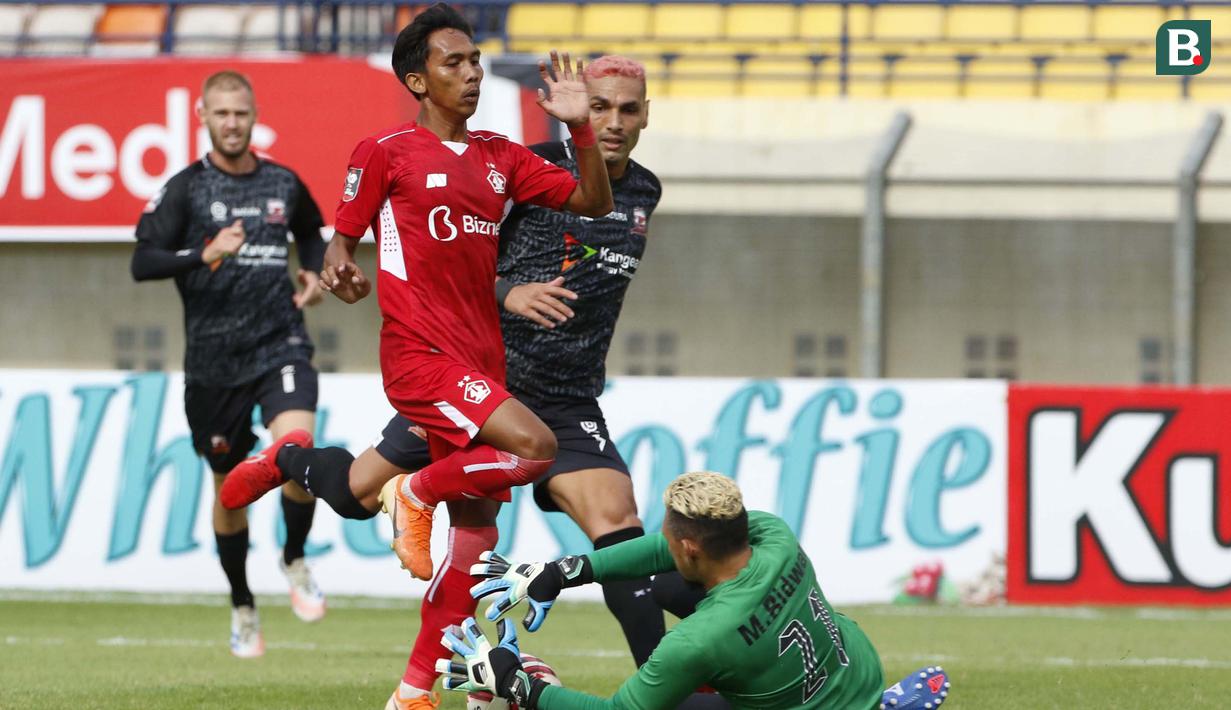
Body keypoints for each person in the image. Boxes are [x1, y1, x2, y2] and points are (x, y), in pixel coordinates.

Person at [226, 53, 674, 673]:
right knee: (356, 495)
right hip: (481, 382)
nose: (614, 122)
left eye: (627, 109)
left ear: (646, 114)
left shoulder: (645, 190)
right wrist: (507, 291)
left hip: (568, 398)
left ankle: (663, 686)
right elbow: (448, 258)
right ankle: (288, 460)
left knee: (620, 533)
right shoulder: (529, 166)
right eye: (599, 107)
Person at [443, 472, 951, 710]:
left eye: (669, 538)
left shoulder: (697, 641)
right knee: (668, 587)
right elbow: (662, 552)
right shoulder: (774, 535)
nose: (661, 544)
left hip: (794, 694)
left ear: (688, 547)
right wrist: (565, 571)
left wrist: (520, 686)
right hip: (856, 673)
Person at [130, 70, 328, 658]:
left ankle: (294, 558)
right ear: (203, 117)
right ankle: (243, 604)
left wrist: (312, 270)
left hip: (280, 343)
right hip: (214, 367)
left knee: (298, 450)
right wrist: (204, 252)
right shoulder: (186, 189)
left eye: (241, 113)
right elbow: (143, 261)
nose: (232, 123)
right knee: (230, 491)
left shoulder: (282, 181)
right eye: (221, 113)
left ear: (254, 115)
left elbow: (311, 232)